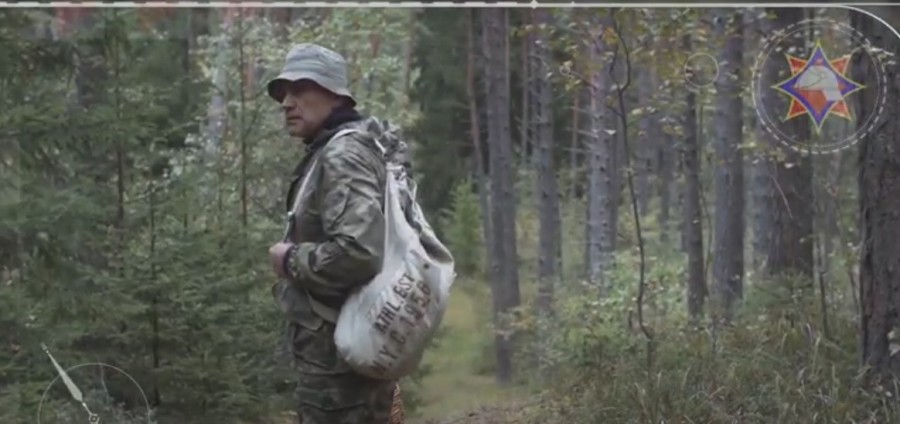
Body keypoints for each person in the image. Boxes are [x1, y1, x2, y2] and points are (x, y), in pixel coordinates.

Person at [265, 43, 404, 424]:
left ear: (336, 95)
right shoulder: (349, 145)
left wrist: (289, 259)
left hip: (341, 364)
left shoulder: (343, 154)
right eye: (283, 93)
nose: (287, 102)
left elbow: (358, 252)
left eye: (300, 89)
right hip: (352, 347)